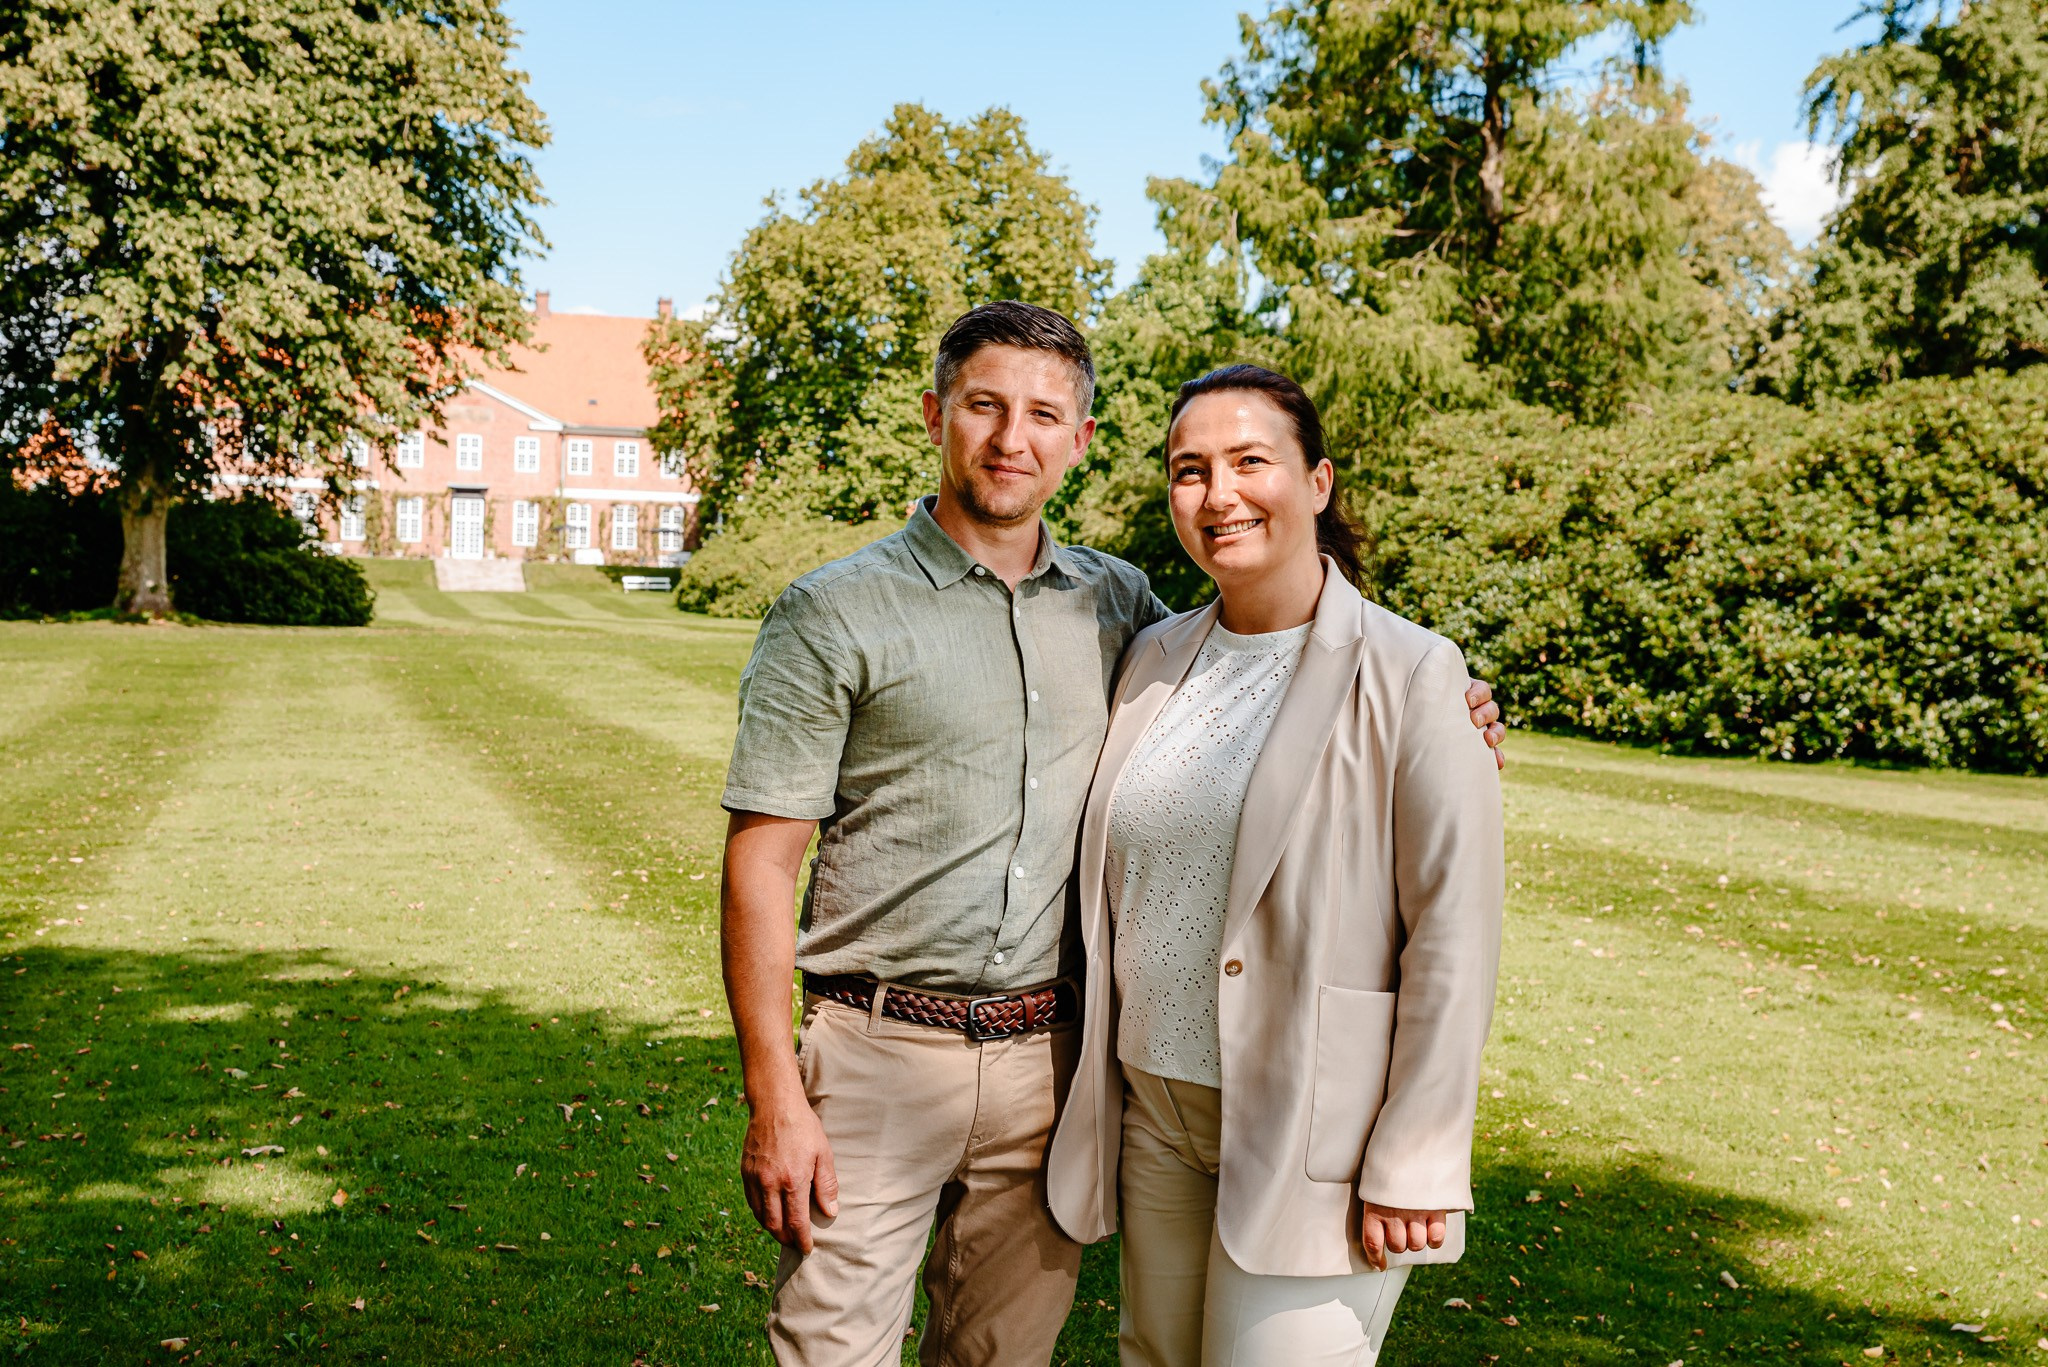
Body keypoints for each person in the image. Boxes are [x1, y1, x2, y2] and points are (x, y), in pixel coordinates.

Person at [719, 305, 1505, 1367]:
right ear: (934, 414)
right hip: (930, 1067)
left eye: (1043, 413)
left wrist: (1451, 703)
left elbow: (1447, 921)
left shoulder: (1152, 616)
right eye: (985, 406)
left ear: (1077, 442)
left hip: (1125, 1082)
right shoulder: (1097, 636)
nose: (1011, 439)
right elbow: (760, 862)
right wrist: (774, 1092)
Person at [1045, 364, 1505, 1366]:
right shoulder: (1153, 658)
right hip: (1154, 1105)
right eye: (1187, 470)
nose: (1217, 495)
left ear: (1317, 481)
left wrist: (1416, 1155)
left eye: (1249, 461)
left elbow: (1453, 935)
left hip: (1315, 1127)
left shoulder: (1413, 672)